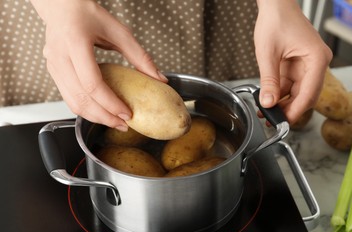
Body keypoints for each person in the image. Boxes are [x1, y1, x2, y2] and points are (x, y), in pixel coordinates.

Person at [2, 0, 332, 132]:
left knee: (236, 111)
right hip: (73, 12)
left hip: (228, 11)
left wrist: (279, 5)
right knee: (86, 96)